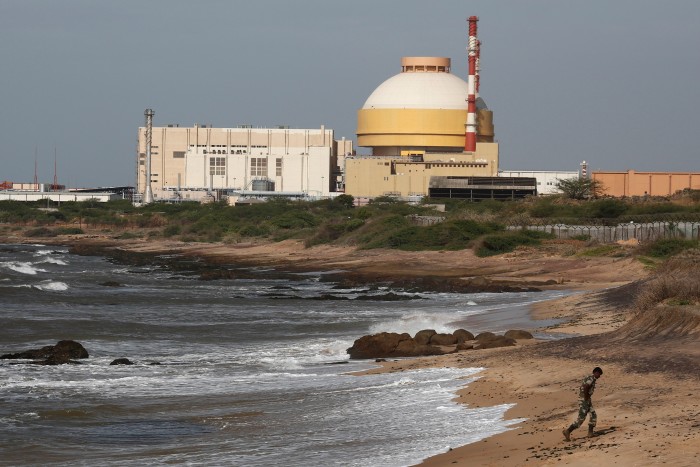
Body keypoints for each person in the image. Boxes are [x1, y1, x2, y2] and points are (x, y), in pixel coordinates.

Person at [563, 367, 603, 441]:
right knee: (581, 418)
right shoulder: (591, 378)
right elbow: (585, 387)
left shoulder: (590, 378)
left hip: (586, 400)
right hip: (584, 400)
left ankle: (590, 433)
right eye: (599, 374)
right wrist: (586, 397)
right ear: (596, 372)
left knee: (593, 415)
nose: (599, 376)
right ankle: (568, 431)